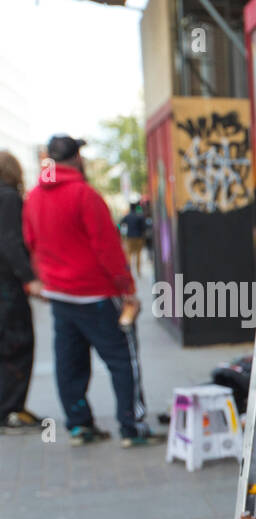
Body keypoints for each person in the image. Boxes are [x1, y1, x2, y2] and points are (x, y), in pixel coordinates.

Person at [22, 135, 160, 447]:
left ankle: (79, 426)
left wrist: (44, 278)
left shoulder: (34, 197)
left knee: (69, 362)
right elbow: (107, 248)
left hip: (60, 294)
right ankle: (132, 426)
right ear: (77, 158)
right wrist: (126, 287)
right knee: (123, 359)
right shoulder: (84, 195)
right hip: (96, 294)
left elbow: (30, 242)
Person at [0, 150, 45, 432]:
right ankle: (10, 410)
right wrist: (30, 278)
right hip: (6, 288)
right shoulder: (7, 198)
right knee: (18, 344)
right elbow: (11, 243)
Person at [119, 200, 148, 276]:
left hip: (129, 238)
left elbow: (120, 224)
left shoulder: (127, 216)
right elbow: (144, 227)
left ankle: (129, 272)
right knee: (138, 255)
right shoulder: (140, 216)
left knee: (129, 255)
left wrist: (122, 234)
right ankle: (138, 272)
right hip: (138, 237)